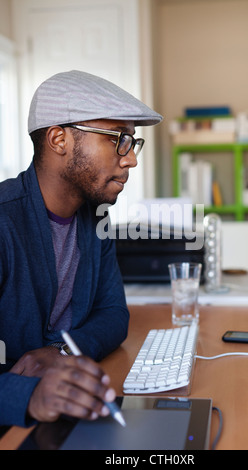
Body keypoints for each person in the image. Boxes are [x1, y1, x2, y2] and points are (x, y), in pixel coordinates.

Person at [0, 70, 162, 427]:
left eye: (132, 142)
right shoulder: (4, 222)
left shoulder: (95, 217)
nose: (131, 158)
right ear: (59, 139)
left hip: (69, 410)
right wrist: (29, 396)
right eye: (118, 139)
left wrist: (61, 352)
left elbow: (114, 313)